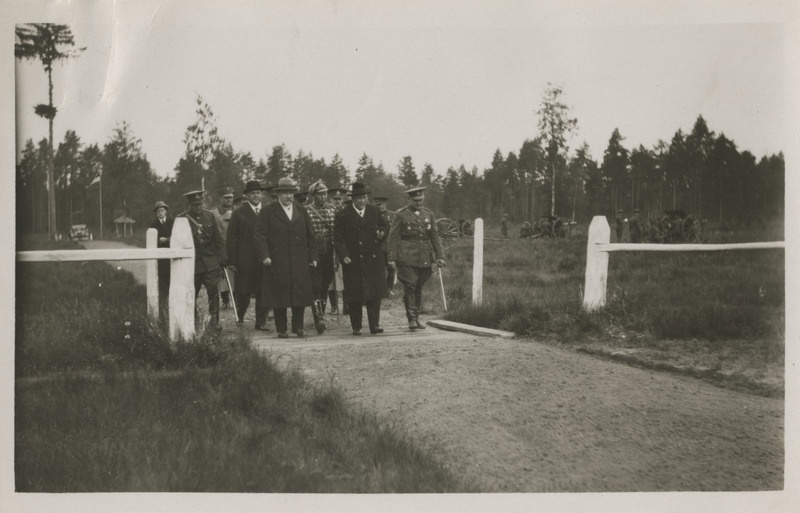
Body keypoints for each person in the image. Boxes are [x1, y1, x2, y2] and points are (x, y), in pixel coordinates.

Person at [254, 177, 318, 338]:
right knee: (279, 296)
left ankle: (298, 327)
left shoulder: (301, 211)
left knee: (299, 295)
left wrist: (313, 257)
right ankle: (281, 329)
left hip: (299, 261)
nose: (288, 196)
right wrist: (265, 256)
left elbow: (311, 237)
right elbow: (260, 236)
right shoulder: (268, 211)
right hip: (277, 261)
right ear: (278, 194)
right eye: (285, 193)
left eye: (291, 193)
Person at [334, 183, 390, 335]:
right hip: (352, 259)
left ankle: (374, 325)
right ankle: (356, 326)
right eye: (359, 198)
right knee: (354, 294)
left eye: (365, 197)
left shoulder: (374, 211)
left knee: (375, 293)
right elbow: (338, 238)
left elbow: (385, 226)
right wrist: (343, 254)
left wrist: (382, 233)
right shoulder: (343, 215)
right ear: (353, 199)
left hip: (373, 258)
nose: (363, 201)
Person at [387, 186, 446, 330]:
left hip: (424, 256)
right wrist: (391, 258)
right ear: (409, 199)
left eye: (421, 199)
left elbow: (434, 236)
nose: (419, 202)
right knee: (410, 285)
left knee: (419, 286)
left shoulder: (429, 214)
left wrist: (439, 256)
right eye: (415, 200)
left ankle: (416, 317)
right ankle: (412, 319)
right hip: (406, 255)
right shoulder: (400, 214)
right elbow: (393, 237)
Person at [178, 189, 227, 330]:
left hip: (211, 263)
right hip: (191, 265)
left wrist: (222, 259)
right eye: (194, 205)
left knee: (213, 293)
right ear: (189, 204)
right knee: (191, 295)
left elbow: (218, 239)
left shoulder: (210, 216)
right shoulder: (181, 219)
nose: (198, 207)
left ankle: (213, 323)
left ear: (203, 202)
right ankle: (192, 324)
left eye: (200, 204)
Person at [227, 180, 269, 331]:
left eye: (258, 193)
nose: (256, 196)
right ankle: (240, 318)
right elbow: (231, 238)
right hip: (245, 260)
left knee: (263, 291)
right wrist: (232, 260)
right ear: (247, 196)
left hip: (264, 258)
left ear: (262, 195)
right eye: (252, 193)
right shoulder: (239, 213)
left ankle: (261, 322)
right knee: (244, 291)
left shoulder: (268, 211)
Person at [305, 180, 337, 334]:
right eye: (319, 194)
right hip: (314, 252)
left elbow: (337, 231)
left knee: (325, 284)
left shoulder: (333, 209)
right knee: (315, 285)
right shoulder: (307, 211)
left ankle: (321, 314)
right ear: (313, 195)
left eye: (325, 194)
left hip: (329, 252)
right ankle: (318, 317)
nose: (323, 197)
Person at [149, 200, 173, 320]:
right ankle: (164, 304)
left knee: (173, 278)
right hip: (161, 257)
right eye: (158, 211)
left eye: (162, 210)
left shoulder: (172, 222)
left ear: (166, 211)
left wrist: (168, 239)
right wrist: (159, 240)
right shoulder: (153, 225)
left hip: (172, 255)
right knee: (162, 278)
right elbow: (150, 240)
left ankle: (172, 302)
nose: (160, 213)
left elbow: (177, 235)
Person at [212, 186, 235, 308]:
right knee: (221, 274)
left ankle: (235, 298)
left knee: (233, 273)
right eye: (226, 198)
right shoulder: (214, 213)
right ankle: (224, 298)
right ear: (221, 199)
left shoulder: (236, 211)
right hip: (219, 247)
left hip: (233, 247)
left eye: (230, 197)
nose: (229, 200)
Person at [327, 186, 347, 314]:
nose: (337, 201)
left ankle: (346, 305)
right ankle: (334, 306)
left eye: (339, 199)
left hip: (344, 248)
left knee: (345, 275)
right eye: (335, 199)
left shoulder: (346, 212)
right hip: (330, 247)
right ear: (330, 199)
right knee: (332, 278)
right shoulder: (328, 211)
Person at [372, 193, 396, 290]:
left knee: (391, 268)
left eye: (380, 204)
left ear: (385, 204)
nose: (379, 206)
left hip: (389, 246)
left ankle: (389, 289)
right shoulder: (372, 215)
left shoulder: (392, 215)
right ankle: (380, 289)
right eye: (376, 205)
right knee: (379, 269)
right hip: (377, 246)